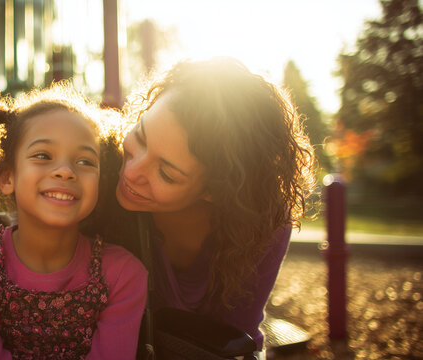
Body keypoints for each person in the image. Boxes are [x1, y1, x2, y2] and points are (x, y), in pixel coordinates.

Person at [114, 57, 317, 355]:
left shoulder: (262, 221)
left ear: (215, 190)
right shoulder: (99, 175)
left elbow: (233, 337)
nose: (131, 172)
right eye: (141, 136)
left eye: (167, 173)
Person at [0, 82, 148, 360]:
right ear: (7, 177)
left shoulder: (123, 275)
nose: (65, 171)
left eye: (85, 161)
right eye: (43, 156)